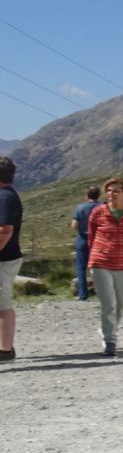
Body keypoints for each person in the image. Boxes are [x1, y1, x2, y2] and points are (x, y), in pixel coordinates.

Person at [86, 176, 123, 357]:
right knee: (109, 303)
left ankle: (107, 330)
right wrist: (99, 252)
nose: (111, 194)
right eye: (108, 191)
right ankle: (110, 340)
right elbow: (91, 236)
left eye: (115, 191)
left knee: (121, 302)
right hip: (101, 261)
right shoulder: (97, 212)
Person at [0, 156, 22, 364]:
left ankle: (4, 350)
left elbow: (4, 231)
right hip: (7, 257)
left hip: (3, 259)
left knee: (2, 303)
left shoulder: (4, 198)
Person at [71, 185, 101, 300]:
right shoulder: (103, 207)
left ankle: (83, 294)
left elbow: (74, 226)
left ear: (86, 195)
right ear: (98, 195)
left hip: (83, 238)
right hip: (99, 239)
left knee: (82, 268)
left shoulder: (80, 208)